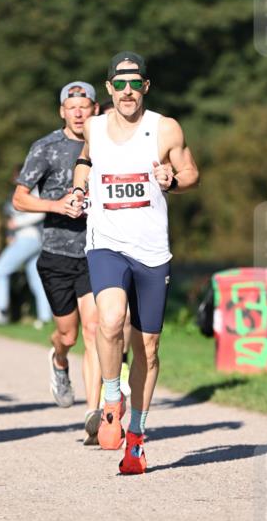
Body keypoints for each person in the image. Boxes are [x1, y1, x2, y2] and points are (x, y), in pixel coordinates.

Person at [69, 51, 199, 474]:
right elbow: (86, 158)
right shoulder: (93, 126)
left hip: (151, 250)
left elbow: (191, 173)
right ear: (109, 88)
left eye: (135, 83)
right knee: (108, 321)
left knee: (148, 347)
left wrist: (172, 181)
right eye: (119, 83)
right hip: (106, 242)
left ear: (146, 86)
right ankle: (111, 398)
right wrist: (79, 189)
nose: (127, 91)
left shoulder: (165, 128)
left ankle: (137, 438)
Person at [12, 81, 104, 445]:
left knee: (94, 330)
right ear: (62, 112)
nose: (79, 113)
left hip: (97, 251)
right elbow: (20, 198)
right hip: (57, 254)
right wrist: (55, 205)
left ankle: (94, 415)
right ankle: (60, 359)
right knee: (69, 334)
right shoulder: (46, 147)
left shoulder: (109, 143)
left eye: (85, 106)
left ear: (96, 109)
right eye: (71, 107)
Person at [0, 182, 52, 328]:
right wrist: (10, 233)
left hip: (29, 237)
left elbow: (41, 211)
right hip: (29, 238)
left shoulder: (36, 191)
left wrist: (16, 223)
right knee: (36, 279)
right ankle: (45, 318)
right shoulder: (17, 192)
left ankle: (1, 311)